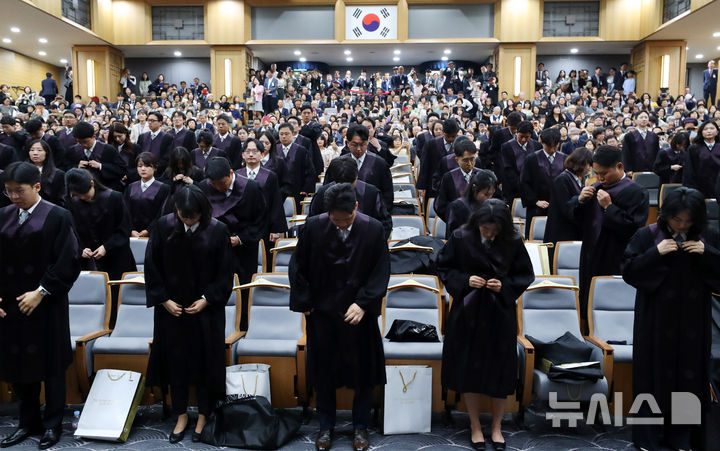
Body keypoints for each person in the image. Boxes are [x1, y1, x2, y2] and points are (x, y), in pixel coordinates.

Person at [289, 183, 389, 451]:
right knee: (324, 371)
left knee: (363, 372)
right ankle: (325, 426)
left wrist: (364, 303)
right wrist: (306, 302)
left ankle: (360, 426)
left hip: (359, 314)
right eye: (336, 220)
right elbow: (298, 267)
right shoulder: (313, 227)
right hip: (323, 313)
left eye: (347, 219)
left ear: (356, 207)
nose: (342, 225)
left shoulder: (373, 229)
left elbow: (381, 272)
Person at [623, 187, 720, 451]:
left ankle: (682, 438)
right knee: (651, 375)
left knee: (689, 375)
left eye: (688, 222)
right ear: (667, 215)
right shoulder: (648, 235)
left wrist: (706, 252)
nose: (682, 225)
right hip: (654, 319)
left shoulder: (708, 237)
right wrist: (656, 253)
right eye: (677, 220)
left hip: (693, 321)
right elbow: (629, 271)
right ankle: (648, 438)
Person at [437, 199, 534, 450]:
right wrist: (465, 280)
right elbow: (444, 268)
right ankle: (475, 426)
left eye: (494, 231)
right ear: (477, 223)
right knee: (469, 370)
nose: (489, 234)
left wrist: (505, 287)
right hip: (468, 311)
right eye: (484, 229)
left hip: (499, 312)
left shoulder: (512, 240)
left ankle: (497, 427)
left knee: (500, 370)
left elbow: (525, 275)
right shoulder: (461, 236)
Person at [0, 162, 80, 450]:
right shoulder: (4, 216)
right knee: (20, 362)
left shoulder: (58, 216)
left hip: (47, 302)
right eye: (8, 192)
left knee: (52, 365)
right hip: (12, 304)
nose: (13, 197)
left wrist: (42, 291)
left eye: (18, 191)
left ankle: (52, 424)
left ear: (36, 186)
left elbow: (68, 259)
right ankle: (27, 421)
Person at [144, 185, 232, 444]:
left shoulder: (218, 230)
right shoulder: (163, 226)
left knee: (205, 362)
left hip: (205, 311)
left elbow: (225, 274)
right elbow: (152, 267)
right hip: (172, 310)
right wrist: (163, 300)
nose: (188, 221)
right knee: (176, 362)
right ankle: (180, 414)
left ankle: (204, 414)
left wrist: (207, 299)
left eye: (193, 217)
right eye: (184, 216)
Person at [569, 146, 649, 326]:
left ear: (619, 167)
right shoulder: (595, 187)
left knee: (613, 305)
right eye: (596, 173)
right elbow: (575, 218)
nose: (600, 178)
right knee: (588, 300)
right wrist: (580, 200)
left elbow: (633, 228)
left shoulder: (636, 192)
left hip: (616, 255)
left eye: (604, 173)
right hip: (591, 254)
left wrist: (609, 207)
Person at [200, 157, 265, 320]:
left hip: (243, 250)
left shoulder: (251, 188)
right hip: (213, 250)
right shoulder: (204, 187)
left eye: (222, 183)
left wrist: (240, 239)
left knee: (242, 288)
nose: (218, 188)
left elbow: (260, 220)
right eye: (213, 184)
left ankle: (243, 323)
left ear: (230, 173)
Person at [64, 168, 136, 281]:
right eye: (78, 195)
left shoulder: (114, 198)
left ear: (92, 183)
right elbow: (71, 232)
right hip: (88, 259)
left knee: (117, 294)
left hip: (116, 257)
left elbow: (124, 229)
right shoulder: (73, 202)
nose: (82, 198)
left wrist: (106, 247)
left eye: (85, 194)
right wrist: (80, 249)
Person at [235, 138, 287, 273]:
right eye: (248, 151)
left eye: (255, 151)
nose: (251, 154)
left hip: (264, 225)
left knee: (264, 259)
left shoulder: (270, 176)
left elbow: (275, 203)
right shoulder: (236, 175)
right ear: (242, 154)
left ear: (262, 154)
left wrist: (275, 229)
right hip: (242, 227)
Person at [309, 157, 392, 239]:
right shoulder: (323, 193)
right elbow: (313, 222)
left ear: (356, 176)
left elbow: (385, 223)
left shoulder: (371, 193)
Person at [324, 123, 393, 212]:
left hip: (371, 214)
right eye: (355, 145)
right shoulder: (337, 164)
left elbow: (387, 194)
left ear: (368, 141)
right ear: (348, 143)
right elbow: (327, 189)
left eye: (363, 144)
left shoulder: (379, 164)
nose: (359, 149)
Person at [520, 127, 566, 238]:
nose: (552, 149)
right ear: (542, 143)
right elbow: (524, 182)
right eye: (549, 146)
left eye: (555, 146)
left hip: (557, 207)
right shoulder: (532, 159)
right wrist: (535, 201)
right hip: (537, 206)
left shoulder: (565, 159)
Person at [544, 147, 593, 244]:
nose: (589, 168)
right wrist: (579, 198)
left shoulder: (576, 179)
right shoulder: (562, 179)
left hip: (573, 231)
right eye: (588, 165)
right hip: (562, 233)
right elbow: (565, 207)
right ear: (580, 163)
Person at [68, 121, 127, 191]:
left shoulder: (108, 149)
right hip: (82, 191)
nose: (83, 145)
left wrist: (101, 166)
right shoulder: (73, 150)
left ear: (94, 137)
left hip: (106, 189)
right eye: (79, 142)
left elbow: (122, 169)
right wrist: (76, 167)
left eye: (85, 142)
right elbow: (66, 167)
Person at [123, 152, 170, 237]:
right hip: (131, 234)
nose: (143, 169)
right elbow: (125, 211)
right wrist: (130, 229)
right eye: (140, 166)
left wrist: (149, 230)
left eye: (147, 166)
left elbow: (162, 213)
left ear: (155, 168)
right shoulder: (131, 187)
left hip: (154, 234)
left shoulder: (163, 188)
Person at [434, 139, 481, 222]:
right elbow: (439, 206)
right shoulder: (448, 178)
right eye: (465, 160)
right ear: (457, 160)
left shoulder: (482, 175)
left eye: (472, 159)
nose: (470, 164)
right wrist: (453, 218)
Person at [446, 170, 498, 239]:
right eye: (486, 194)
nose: (489, 198)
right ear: (474, 188)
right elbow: (454, 237)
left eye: (491, 195)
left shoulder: (491, 207)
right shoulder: (458, 207)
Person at [417, 118, 460, 201]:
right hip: (433, 184)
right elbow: (424, 165)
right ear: (443, 132)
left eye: (454, 136)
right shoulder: (431, 144)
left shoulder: (460, 144)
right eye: (448, 136)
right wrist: (421, 186)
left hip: (455, 184)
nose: (451, 139)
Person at [277, 123, 315, 212]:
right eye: (281, 134)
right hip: (278, 191)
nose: (284, 137)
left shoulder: (301, 150)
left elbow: (309, 170)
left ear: (292, 134)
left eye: (286, 134)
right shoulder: (274, 150)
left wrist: (306, 189)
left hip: (297, 189)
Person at [499, 120, 541, 202]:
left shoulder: (537, 146)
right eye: (521, 136)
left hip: (533, 187)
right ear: (517, 133)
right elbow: (508, 169)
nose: (523, 139)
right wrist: (522, 185)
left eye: (527, 137)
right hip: (514, 187)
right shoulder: (507, 146)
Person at [683, 120, 720, 198]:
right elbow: (689, 171)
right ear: (701, 132)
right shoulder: (693, 148)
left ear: (717, 132)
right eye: (705, 129)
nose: (709, 131)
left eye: (712, 128)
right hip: (699, 188)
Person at [26, 139, 65, 207]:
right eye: (32, 150)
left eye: (39, 150)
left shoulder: (57, 174)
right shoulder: (22, 171)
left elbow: (61, 198)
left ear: (46, 153)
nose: (35, 153)